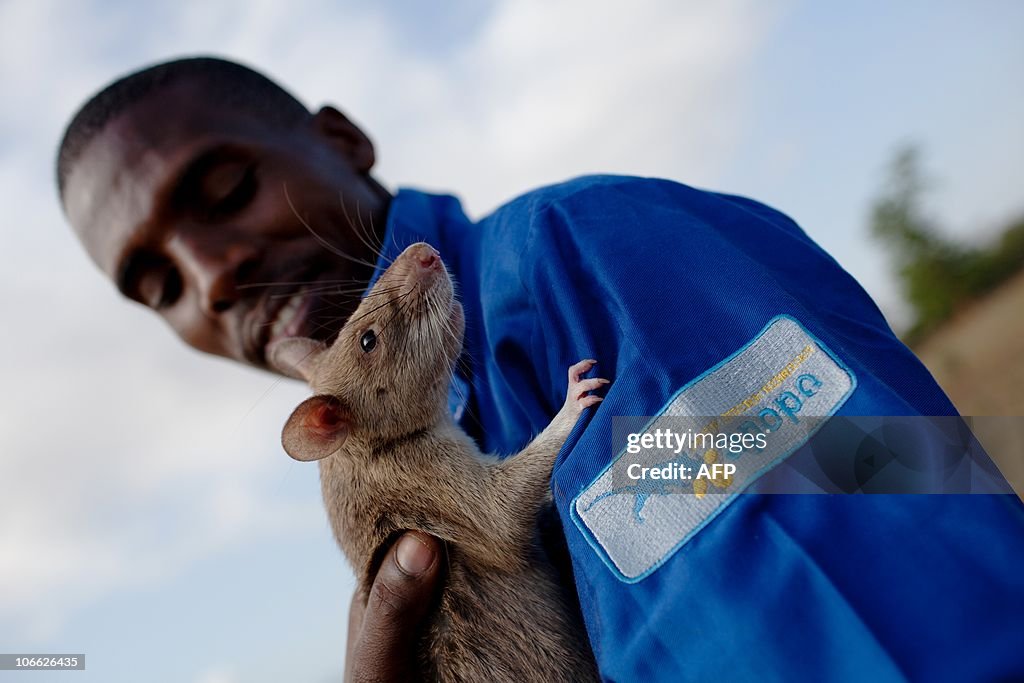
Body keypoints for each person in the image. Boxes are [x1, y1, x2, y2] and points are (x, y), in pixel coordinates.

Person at [58, 56, 1024, 682]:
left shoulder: (583, 258)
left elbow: (891, 557)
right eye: (156, 285)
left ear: (342, 139)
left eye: (224, 189)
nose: (212, 276)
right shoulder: (413, 470)